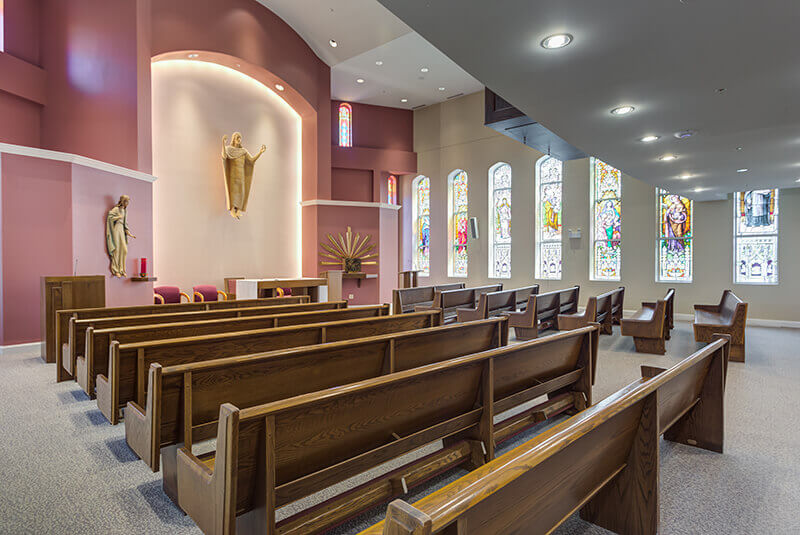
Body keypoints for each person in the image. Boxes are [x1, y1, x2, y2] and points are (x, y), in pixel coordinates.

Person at [222, 132, 266, 219]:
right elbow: (224, 156)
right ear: (233, 139)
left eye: (240, 138)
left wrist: (260, 152)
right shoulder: (229, 149)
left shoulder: (243, 151)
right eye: (237, 138)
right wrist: (223, 143)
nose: (238, 140)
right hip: (233, 176)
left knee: (241, 193)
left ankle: (238, 210)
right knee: (233, 193)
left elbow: (252, 160)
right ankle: (232, 210)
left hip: (241, 176)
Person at [106, 195, 136, 277]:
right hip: (116, 229)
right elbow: (110, 217)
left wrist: (128, 232)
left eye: (128, 202)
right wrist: (117, 217)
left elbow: (125, 223)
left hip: (122, 230)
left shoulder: (124, 211)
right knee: (117, 249)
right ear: (122, 201)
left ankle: (122, 269)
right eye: (126, 201)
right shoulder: (116, 209)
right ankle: (116, 270)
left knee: (124, 249)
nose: (127, 203)